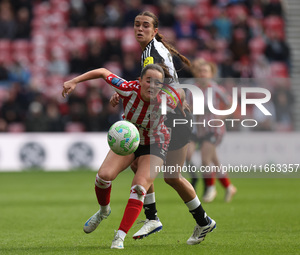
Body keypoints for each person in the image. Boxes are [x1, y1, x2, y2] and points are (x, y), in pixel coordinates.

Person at [62, 64, 203, 249]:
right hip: (130, 141)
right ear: (139, 81)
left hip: (156, 144)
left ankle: (119, 237)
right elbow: (104, 72)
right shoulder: (128, 89)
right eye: (148, 81)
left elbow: (180, 93)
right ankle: (103, 211)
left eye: (158, 83)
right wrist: (74, 81)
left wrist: (182, 105)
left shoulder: (168, 97)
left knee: (138, 187)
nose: (153, 85)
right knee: (103, 177)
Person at [110, 11, 216, 243]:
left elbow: (158, 83)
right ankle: (198, 221)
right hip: (170, 115)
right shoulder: (152, 49)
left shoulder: (151, 54)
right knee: (150, 166)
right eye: (136, 24)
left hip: (171, 118)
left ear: (154, 31)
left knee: (166, 173)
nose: (139, 29)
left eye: (145, 25)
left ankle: (162, 218)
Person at [189, 61, 237, 203]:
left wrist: (221, 115)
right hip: (201, 130)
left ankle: (210, 188)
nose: (203, 74)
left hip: (215, 130)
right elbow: (188, 108)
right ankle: (229, 187)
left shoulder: (216, 89)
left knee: (205, 159)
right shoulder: (192, 90)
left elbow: (231, 104)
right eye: (200, 71)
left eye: (206, 71)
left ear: (211, 74)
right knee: (215, 162)